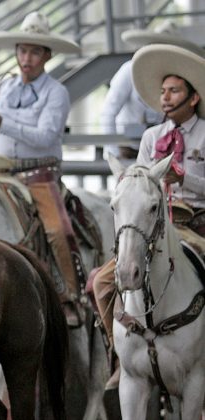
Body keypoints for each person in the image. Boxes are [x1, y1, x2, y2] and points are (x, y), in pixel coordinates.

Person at [92, 43, 205, 390]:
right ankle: (120, 355)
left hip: (196, 221)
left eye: (174, 91)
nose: (165, 97)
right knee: (101, 282)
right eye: (163, 91)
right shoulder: (151, 137)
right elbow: (140, 181)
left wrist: (183, 178)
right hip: (155, 225)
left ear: (193, 98)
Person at [0, 11, 85, 326]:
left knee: (58, 230)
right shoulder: (4, 86)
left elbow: (46, 137)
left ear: (47, 56)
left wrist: (2, 120)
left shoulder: (57, 92)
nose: (27, 58)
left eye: (35, 52)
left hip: (39, 176)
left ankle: (70, 295)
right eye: (22, 50)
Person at [100, 21, 205, 159]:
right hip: (129, 147)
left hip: (161, 146)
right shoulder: (129, 70)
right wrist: (112, 153)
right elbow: (108, 111)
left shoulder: (173, 76)